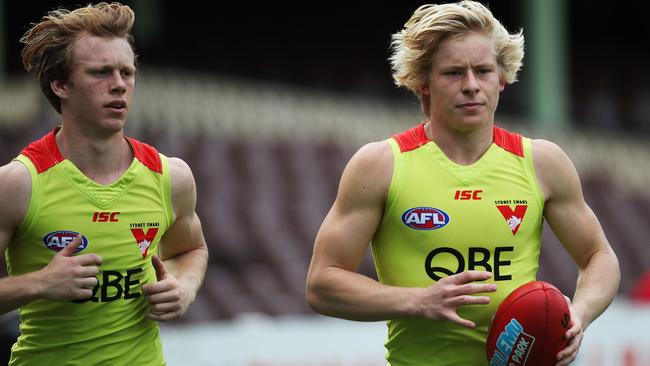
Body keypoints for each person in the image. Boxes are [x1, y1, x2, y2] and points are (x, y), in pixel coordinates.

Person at [306, 1, 620, 365]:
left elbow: (600, 256)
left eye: (483, 71)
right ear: (422, 83)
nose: (471, 86)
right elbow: (322, 284)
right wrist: (418, 300)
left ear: (501, 79)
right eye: (454, 73)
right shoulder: (380, 164)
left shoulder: (542, 163)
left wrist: (578, 315)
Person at [0, 3, 209, 365]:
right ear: (60, 84)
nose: (118, 85)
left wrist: (184, 288)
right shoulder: (18, 182)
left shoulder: (170, 176)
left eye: (127, 73)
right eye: (101, 72)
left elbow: (191, 250)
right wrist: (38, 284)